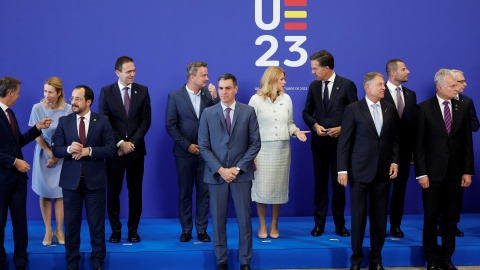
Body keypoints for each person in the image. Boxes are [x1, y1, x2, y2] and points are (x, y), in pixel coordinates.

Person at [337, 72, 400, 270]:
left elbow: (396, 141)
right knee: (358, 218)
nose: (384, 88)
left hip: (383, 173)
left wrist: (395, 162)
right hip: (359, 172)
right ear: (368, 87)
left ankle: (376, 259)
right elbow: (344, 143)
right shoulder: (353, 109)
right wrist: (342, 170)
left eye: (384, 85)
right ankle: (356, 260)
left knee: (380, 218)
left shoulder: (390, 108)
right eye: (380, 85)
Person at [198, 74, 261, 270]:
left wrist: (236, 168)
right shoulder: (208, 113)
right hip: (216, 176)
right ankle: (221, 261)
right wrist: (220, 170)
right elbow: (203, 146)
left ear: (235, 89)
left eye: (227, 88)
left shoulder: (248, 112)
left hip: (241, 176)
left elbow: (255, 144)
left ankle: (245, 262)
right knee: (217, 223)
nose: (223, 92)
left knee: (244, 222)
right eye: (221, 88)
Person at [414, 69, 474, 270]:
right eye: (453, 86)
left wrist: (468, 171)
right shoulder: (423, 108)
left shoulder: (462, 108)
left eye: (457, 85)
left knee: (450, 218)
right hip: (431, 175)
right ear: (440, 87)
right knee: (431, 218)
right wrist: (421, 173)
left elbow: (467, 142)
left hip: (455, 174)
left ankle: (447, 259)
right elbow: (419, 145)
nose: (456, 88)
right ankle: (431, 259)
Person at [52, 85, 116, 270]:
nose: (73, 102)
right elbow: (56, 148)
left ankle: (98, 262)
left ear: (88, 101)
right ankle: (72, 262)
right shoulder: (64, 121)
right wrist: (68, 149)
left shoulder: (102, 121)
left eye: (77, 99)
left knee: (97, 226)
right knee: (71, 226)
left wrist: (89, 151)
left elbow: (111, 149)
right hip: (71, 183)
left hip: (95, 182)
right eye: (72, 98)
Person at [248, 66, 309, 239]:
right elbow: (250, 128)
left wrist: (296, 132)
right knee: (261, 188)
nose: (285, 82)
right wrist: (251, 153)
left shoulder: (287, 98)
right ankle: (261, 223)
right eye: (281, 79)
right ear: (272, 80)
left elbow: (289, 122)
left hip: (282, 150)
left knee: (278, 188)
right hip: (261, 150)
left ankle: (274, 223)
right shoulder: (255, 100)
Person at [302, 50, 358, 237]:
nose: (312, 72)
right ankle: (319, 223)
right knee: (320, 185)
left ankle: (340, 224)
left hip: (340, 146)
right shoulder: (314, 86)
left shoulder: (347, 85)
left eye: (315, 68)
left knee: (339, 186)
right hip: (319, 145)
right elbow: (306, 112)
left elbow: (356, 114)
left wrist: (342, 129)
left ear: (326, 68)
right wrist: (315, 125)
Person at [0, 77, 53, 270]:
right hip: (2, 179)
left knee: (20, 222)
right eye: (18, 92)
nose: (20, 95)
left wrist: (37, 128)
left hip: (18, 180)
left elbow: (17, 142)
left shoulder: (10, 113)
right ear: (10, 93)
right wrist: (14, 162)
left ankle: (20, 259)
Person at [99, 56, 152, 243]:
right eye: (129, 71)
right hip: (115, 153)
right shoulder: (106, 92)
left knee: (135, 192)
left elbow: (146, 121)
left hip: (136, 152)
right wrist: (120, 143)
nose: (133, 74)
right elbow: (104, 122)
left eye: (134, 70)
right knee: (113, 192)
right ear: (118, 73)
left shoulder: (143, 91)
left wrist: (131, 144)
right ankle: (115, 229)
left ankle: (133, 229)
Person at [165, 62, 218, 242]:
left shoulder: (208, 96)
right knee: (185, 192)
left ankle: (202, 229)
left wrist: (216, 97)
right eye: (204, 75)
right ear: (192, 77)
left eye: (207, 75)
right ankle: (186, 229)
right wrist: (187, 145)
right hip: (184, 153)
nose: (207, 78)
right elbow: (170, 125)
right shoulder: (175, 97)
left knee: (204, 192)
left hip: (206, 153)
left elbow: (219, 116)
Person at [28, 77, 71, 246]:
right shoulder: (37, 108)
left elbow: (71, 134)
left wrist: (58, 156)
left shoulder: (68, 110)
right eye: (45, 91)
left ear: (59, 93)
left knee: (59, 194)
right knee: (45, 192)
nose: (47, 95)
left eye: (51, 92)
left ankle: (60, 229)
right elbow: (35, 133)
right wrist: (49, 153)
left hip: (61, 155)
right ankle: (48, 229)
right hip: (43, 155)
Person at [382, 60, 417, 238]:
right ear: (393, 73)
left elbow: (412, 126)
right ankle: (379, 226)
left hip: (404, 153)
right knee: (381, 191)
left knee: (399, 191)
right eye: (404, 69)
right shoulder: (379, 92)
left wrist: (413, 151)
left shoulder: (411, 95)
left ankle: (395, 225)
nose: (408, 71)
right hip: (382, 153)